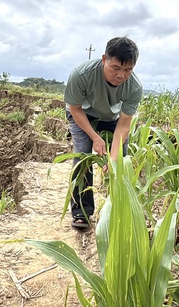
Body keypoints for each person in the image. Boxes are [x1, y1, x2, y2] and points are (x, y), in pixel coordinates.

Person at [63, 36, 143, 230]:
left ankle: (116, 209)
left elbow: (124, 124)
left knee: (120, 160)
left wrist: (113, 158)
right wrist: (95, 138)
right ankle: (82, 212)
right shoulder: (82, 75)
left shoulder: (134, 87)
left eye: (127, 70)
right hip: (83, 114)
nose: (121, 75)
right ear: (104, 59)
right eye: (116, 68)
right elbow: (74, 109)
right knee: (83, 155)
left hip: (112, 119)